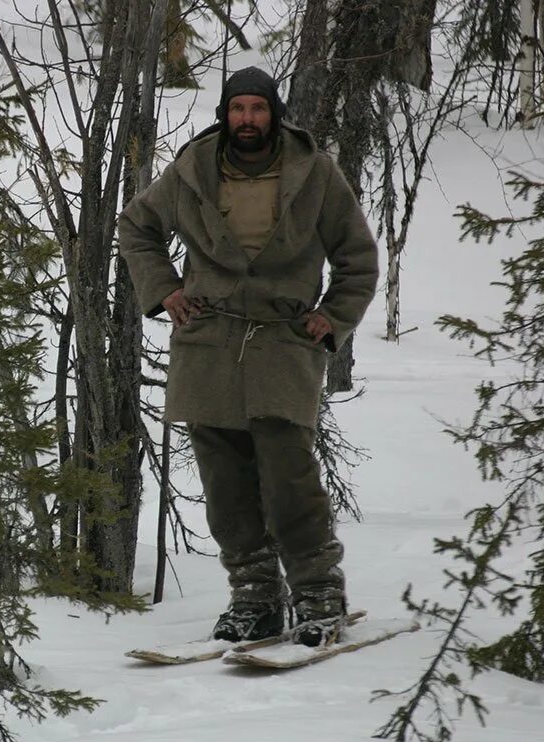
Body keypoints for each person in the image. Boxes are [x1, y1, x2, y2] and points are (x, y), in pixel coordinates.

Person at [117, 66, 379, 647]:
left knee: (289, 476)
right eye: (239, 110)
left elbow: (358, 258)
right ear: (225, 113)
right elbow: (137, 226)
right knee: (225, 483)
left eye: (258, 109)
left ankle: (317, 594)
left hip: (284, 344)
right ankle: (254, 597)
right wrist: (164, 290)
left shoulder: (315, 173)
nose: (248, 120)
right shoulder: (193, 169)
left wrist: (332, 319)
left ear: (274, 113)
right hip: (208, 343)